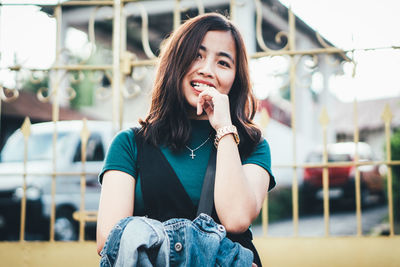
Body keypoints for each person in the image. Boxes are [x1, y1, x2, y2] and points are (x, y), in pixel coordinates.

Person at [96, 12, 275, 266]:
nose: (206, 70)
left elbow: (236, 219)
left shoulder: (252, 146)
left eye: (223, 63)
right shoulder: (130, 144)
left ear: (236, 79)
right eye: (196, 55)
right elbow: (111, 241)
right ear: (176, 61)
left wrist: (224, 128)